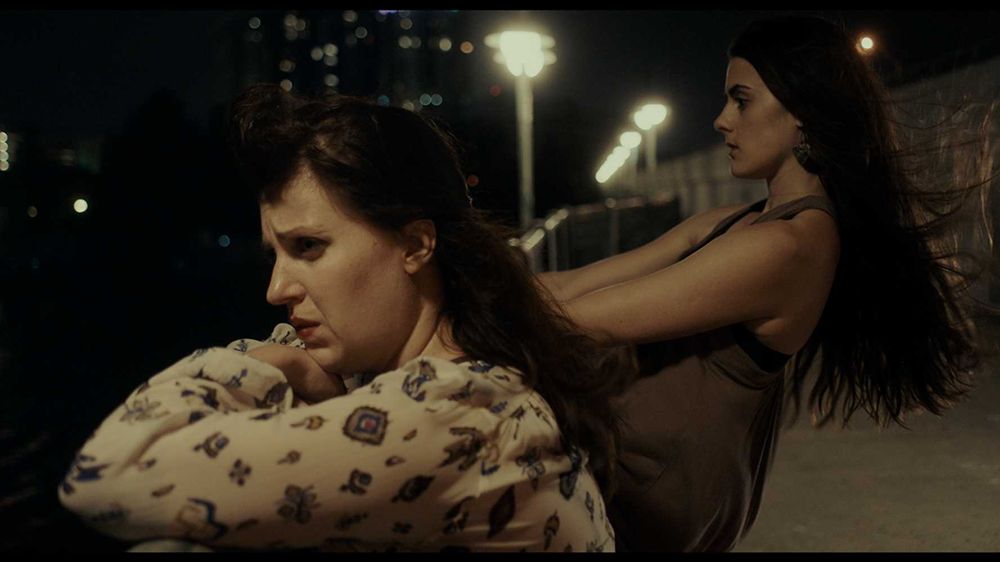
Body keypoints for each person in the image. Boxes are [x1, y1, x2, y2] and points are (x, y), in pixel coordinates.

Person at [57, 84, 629, 552]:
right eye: (276, 254)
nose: (276, 289)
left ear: (415, 245)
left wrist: (270, 362)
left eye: (308, 246)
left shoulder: (458, 415)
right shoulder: (457, 375)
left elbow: (105, 473)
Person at [539, 15, 992, 552]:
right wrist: (473, 283)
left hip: (652, 495)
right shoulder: (735, 221)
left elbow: (585, 321)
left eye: (741, 101)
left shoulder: (788, 245)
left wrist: (464, 310)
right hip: (620, 465)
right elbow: (571, 287)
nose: (720, 120)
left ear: (802, 110)